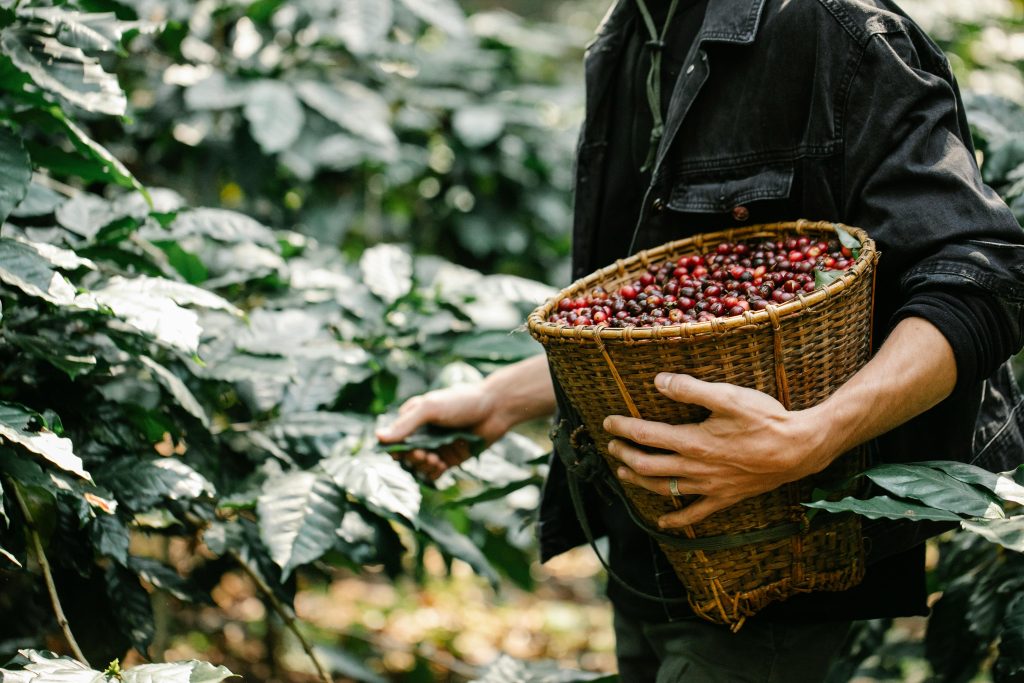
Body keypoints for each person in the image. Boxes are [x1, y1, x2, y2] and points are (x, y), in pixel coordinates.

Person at [377, 0, 1024, 679]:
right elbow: (656, 324)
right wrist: (497, 399)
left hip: (773, 565)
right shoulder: (630, 34)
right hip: (649, 546)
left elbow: (980, 278)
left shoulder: (829, 27)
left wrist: (813, 435)